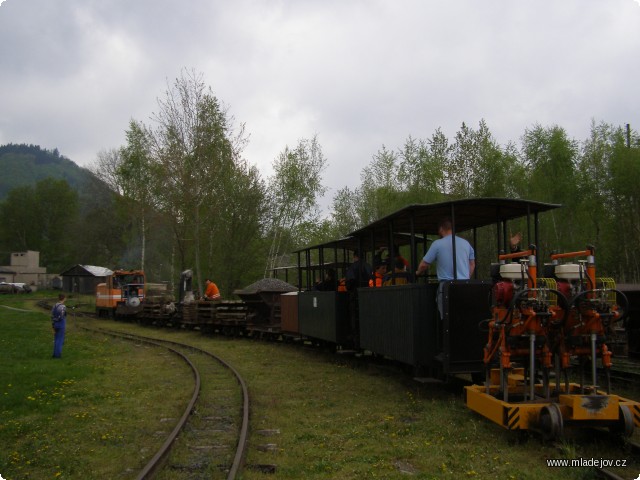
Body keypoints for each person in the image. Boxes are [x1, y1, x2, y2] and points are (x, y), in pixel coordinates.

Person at [415, 218, 475, 317]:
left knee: (447, 318)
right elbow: (472, 264)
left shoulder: (437, 244)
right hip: (464, 285)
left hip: (447, 287)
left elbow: (424, 264)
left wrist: (417, 273)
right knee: (462, 315)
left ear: (441, 229)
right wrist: (465, 277)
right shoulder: (466, 243)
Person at [51, 293, 67, 358]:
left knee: (56, 339)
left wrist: (53, 323)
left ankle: (54, 353)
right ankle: (58, 355)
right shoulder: (63, 307)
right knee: (60, 340)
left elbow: (52, 314)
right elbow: (62, 316)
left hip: (55, 324)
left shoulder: (55, 305)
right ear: (64, 298)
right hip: (61, 324)